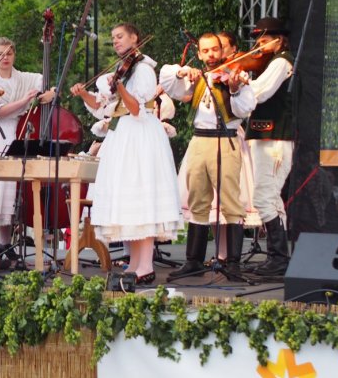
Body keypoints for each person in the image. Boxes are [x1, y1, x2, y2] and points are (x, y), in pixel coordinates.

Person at [89, 22, 183, 284]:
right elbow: (106, 107)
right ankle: (135, 262)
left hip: (140, 136)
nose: (116, 41)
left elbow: (137, 109)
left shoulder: (143, 69)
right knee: (131, 197)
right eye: (113, 37)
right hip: (124, 135)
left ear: (134, 37)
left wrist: (119, 87)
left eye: (120, 36)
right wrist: (97, 90)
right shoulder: (124, 70)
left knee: (142, 196)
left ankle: (146, 264)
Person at [160, 33, 256, 281]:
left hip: (225, 140)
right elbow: (167, 78)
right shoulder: (196, 78)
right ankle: (193, 261)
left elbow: (246, 108)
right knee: (198, 201)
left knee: (230, 202)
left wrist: (234, 89)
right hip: (199, 140)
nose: (211, 55)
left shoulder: (235, 76)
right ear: (200, 54)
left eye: (215, 49)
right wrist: (183, 72)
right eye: (206, 51)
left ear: (222, 51)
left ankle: (233, 264)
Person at [0, 37, 54, 264]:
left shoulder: (22, 78)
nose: (4, 58)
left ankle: (5, 244)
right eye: (0, 54)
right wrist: (24, 102)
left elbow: (43, 81)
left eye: (8, 53)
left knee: (8, 191)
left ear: (14, 55)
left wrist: (50, 93)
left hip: (11, 132)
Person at [245, 17, 294, 276]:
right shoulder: (270, 62)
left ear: (278, 39)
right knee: (268, 196)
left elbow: (260, 93)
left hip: (275, 138)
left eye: (263, 40)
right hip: (266, 136)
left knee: (266, 195)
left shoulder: (281, 61)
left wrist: (239, 84)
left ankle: (279, 258)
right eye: (257, 41)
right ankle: (277, 257)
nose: (258, 46)